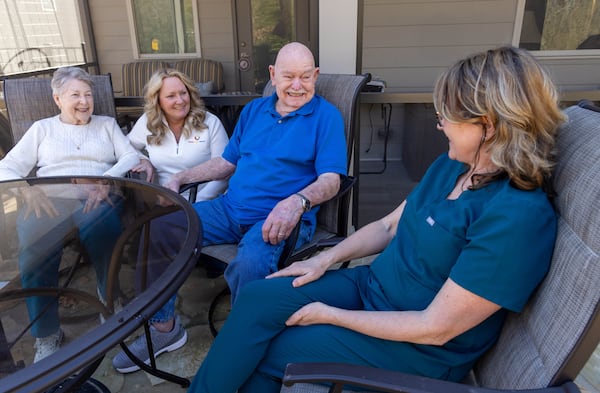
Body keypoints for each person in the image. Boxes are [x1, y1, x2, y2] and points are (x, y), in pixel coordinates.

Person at [186, 46, 567, 393]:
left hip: (417, 347)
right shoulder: (452, 168)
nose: (438, 125)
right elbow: (387, 226)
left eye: (445, 116)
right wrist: (324, 259)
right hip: (372, 286)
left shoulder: (517, 216)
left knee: (274, 349)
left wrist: (332, 317)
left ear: (489, 124)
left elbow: (436, 328)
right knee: (257, 298)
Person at [111, 41, 347, 373]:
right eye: (289, 76)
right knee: (158, 228)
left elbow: (332, 180)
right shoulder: (253, 111)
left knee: (249, 264)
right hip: (228, 208)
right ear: (272, 75)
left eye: (306, 77)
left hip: (278, 218)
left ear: (316, 75)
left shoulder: (326, 117)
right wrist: (181, 177)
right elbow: (225, 163)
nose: (297, 85)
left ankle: (242, 348)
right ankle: (165, 329)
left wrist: (297, 202)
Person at [0, 66, 139, 363]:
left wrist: (106, 179)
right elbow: (7, 167)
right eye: (75, 94)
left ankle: (107, 297)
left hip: (96, 194)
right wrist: (27, 189)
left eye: (88, 94)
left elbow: (129, 156)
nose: (84, 101)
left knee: (103, 228)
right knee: (33, 249)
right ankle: (47, 333)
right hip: (50, 198)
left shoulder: (106, 125)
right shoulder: (42, 129)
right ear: (57, 99)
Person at [127, 68, 229, 202]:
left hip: (205, 203)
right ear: (158, 101)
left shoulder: (210, 122)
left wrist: (194, 204)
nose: (180, 101)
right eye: (171, 96)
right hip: (164, 202)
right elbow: (125, 146)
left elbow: (225, 172)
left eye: (183, 93)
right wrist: (142, 159)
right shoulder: (148, 121)